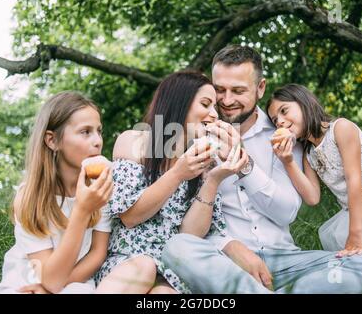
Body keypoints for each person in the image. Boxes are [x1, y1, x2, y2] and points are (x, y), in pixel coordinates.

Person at [162, 45, 362, 294]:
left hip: (288, 261)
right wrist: (228, 245)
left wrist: (244, 164)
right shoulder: (195, 135)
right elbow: (183, 225)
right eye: (220, 90)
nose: (227, 100)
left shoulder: (285, 136)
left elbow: (286, 212)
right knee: (177, 247)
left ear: (260, 88)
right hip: (225, 263)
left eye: (239, 91)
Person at [94, 71, 248, 294]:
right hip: (129, 263)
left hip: (173, 273)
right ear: (180, 103)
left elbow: (190, 236)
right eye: (206, 104)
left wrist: (213, 180)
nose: (214, 114)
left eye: (214, 107)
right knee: (144, 267)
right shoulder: (135, 142)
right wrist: (177, 174)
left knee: (164, 293)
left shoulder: (205, 159)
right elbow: (129, 217)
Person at [0, 91, 113, 294]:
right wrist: (82, 210)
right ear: (52, 141)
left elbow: (97, 252)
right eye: (85, 132)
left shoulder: (100, 189)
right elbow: (45, 272)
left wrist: (54, 285)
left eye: (99, 131)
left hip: (75, 281)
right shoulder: (30, 197)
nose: (97, 141)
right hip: (28, 280)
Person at [265, 83, 362, 261]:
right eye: (274, 120)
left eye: (284, 111)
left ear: (303, 103)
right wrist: (287, 161)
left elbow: (354, 181)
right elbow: (312, 198)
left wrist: (355, 234)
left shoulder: (341, 128)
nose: (279, 121)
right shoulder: (309, 154)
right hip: (354, 213)